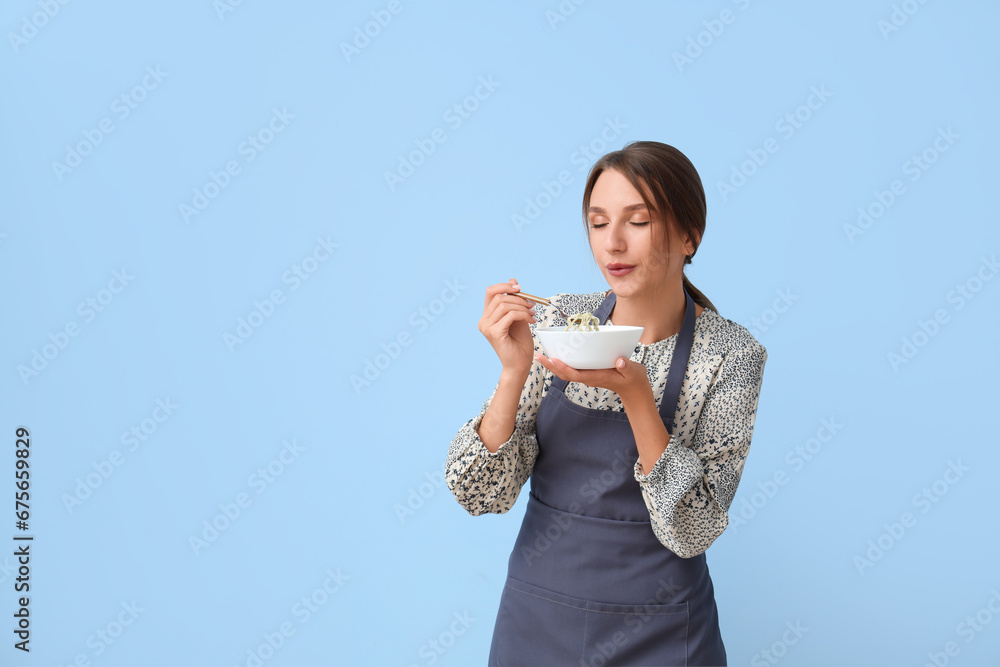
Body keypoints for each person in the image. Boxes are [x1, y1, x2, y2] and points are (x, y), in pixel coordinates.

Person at [444, 141, 768, 666]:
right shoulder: (560, 323)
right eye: (598, 223)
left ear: (691, 235)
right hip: (538, 621)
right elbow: (479, 494)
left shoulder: (731, 355)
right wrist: (513, 370)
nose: (613, 244)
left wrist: (637, 394)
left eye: (637, 222)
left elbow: (693, 529)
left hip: (662, 634)